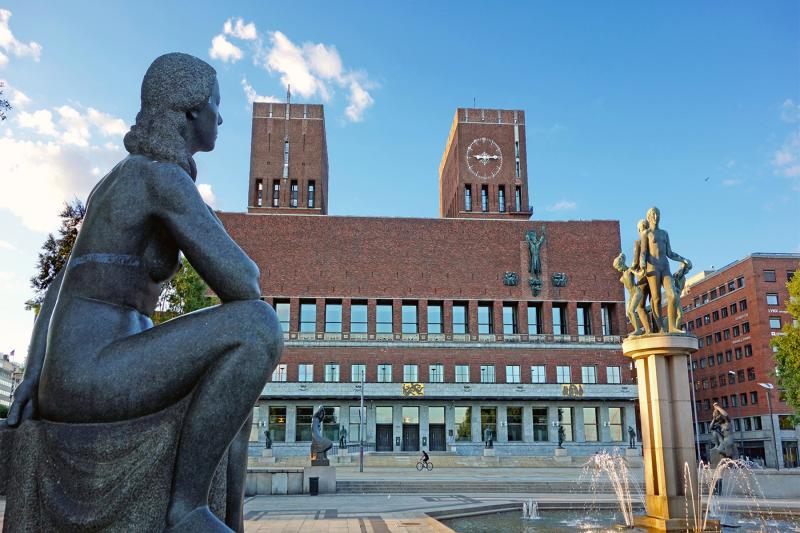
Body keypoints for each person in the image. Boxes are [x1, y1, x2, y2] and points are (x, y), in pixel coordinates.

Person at [4, 53, 283, 532]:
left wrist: (35, 375)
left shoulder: (118, 178)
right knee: (257, 329)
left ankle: (226, 521)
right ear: (191, 109)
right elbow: (245, 284)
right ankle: (186, 508)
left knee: (237, 396)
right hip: (95, 370)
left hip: (75, 371)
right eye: (217, 104)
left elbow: (60, 285)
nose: (221, 117)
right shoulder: (161, 179)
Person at [638, 207, 691, 333]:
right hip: (653, 267)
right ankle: (661, 328)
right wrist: (642, 264)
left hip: (665, 266)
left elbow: (670, 253)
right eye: (653, 215)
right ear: (649, 217)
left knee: (672, 295)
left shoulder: (664, 233)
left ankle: (672, 327)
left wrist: (683, 259)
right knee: (656, 299)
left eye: (657, 215)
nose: (656, 217)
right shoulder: (646, 234)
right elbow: (643, 252)